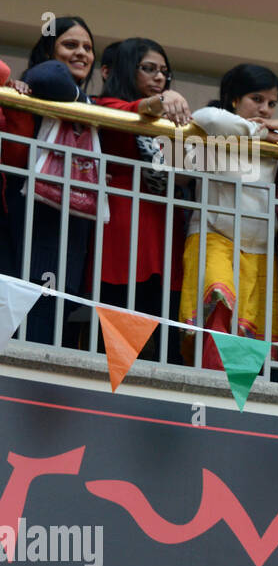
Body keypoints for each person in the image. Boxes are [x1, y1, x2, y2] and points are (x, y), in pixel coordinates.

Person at [183, 64, 278, 370]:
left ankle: (236, 399)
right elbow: (207, 116)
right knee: (219, 307)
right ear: (234, 99)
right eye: (257, 99)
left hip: (261, 248)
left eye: (272, 103)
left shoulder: (277, 134)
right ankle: (211, 385)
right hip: (214, 236)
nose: (265, 109)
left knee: (248, 325)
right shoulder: (219, 125)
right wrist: (260, 132)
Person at [0, 16, 100, 346]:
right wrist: (82, 103)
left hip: (71, 223)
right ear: (47, 50)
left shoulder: (97, 109)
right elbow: (47, 74)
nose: (82, 53)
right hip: (31, 209)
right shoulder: (37, 88)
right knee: (25, 306)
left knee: (55, 309)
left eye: (88, 48)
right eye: (70, 45)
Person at [95, 37, 192, 360]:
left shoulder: (167, 122)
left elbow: (183, 175)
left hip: (165, 227)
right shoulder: (106, 105)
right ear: (126, 70)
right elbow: (133, 110)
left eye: (164, 72)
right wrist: (165, 99)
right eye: (148, 69)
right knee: (114, 333)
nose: (159, 77)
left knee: (166, 333)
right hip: (123, 227)